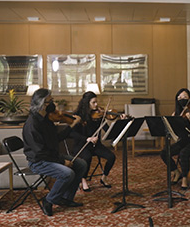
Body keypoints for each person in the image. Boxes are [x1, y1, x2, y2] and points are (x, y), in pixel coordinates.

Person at [23, 88, 87, 216]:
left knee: (81, 164)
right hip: (39, 161)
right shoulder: (32, 124)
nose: (53, 104)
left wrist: (72, 126)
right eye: (50, 101)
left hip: (51, 156)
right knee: (67, 173)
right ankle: (49, 200)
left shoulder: (46, 119)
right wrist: (62, 161)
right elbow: (40, 152)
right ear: (42, 104)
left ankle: (66, 198)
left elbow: (57, 138)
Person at [71, 91, 125, 191]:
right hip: (82, 144)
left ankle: (104, 178)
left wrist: (119, 120)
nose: (96, 105)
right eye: (93, 102)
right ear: (86, 103)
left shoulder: (99, 115)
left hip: (95, 145)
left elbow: (107, 129)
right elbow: (72, 133)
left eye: (96, 102)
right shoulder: (78, 115)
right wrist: (87, 138)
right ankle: (83, 180)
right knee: (87, 158)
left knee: (111, 157)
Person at [160, 88, 190, 190]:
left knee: (183, 153)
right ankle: (176, 172)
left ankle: (185, 178)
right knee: (164, 152)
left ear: (189, 98)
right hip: (182, 140)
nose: (181, 99)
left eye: (184, 97)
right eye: (179, 97)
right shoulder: (176, 113)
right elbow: (174, 130)